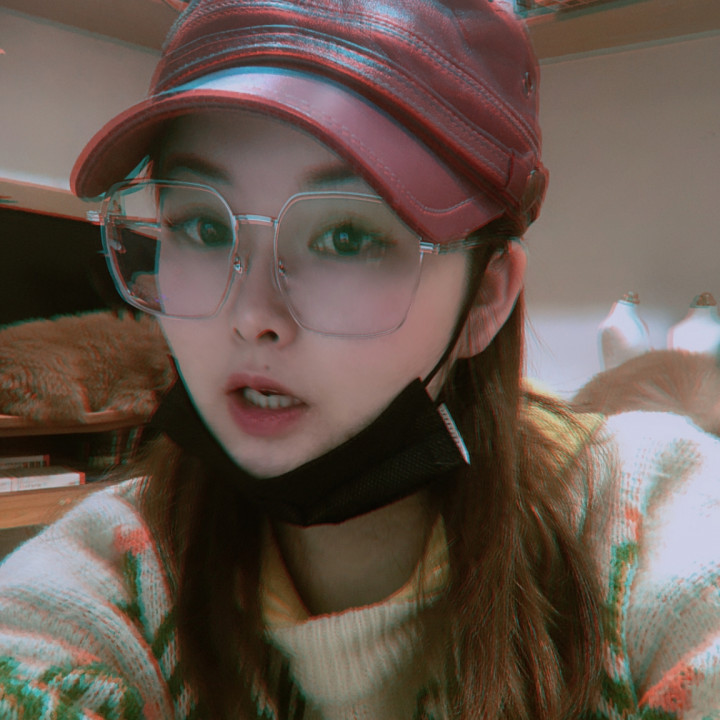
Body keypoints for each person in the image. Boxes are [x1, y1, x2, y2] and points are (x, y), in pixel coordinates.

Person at [1, 1, 719, 718]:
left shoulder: (644, 521)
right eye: (202, 225)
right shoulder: (110, 581)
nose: (251, 316)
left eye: (346, 237)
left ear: (485, 299)